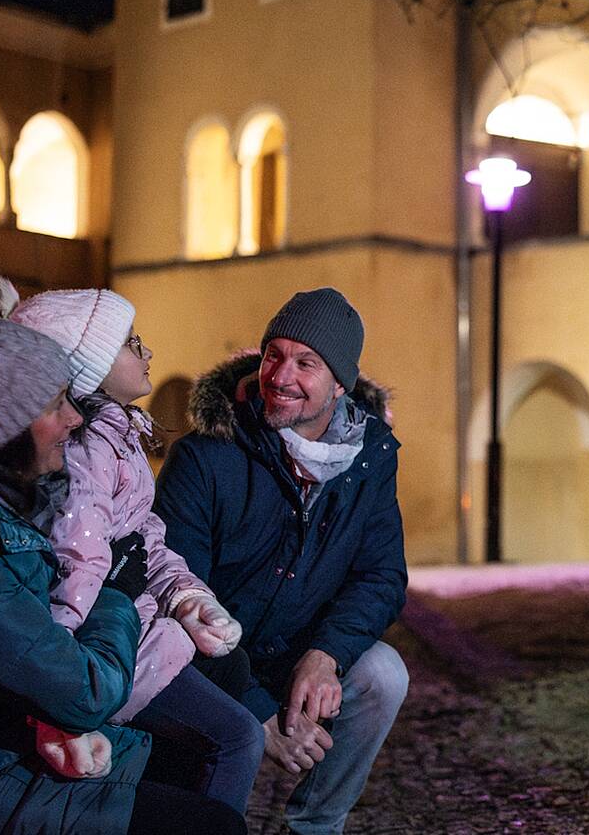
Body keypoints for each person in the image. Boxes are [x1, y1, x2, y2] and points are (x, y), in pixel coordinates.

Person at [0, 290, 244, 835]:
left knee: (193, 758)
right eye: (54, 404)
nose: (72, 418)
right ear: (0, 428)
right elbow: (82, 692)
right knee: (209, 821)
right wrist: (117, 594)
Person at [0, 274, 265, 812]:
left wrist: (188, 598)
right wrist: (59, 701)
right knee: (237, 739)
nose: (146, 351)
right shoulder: (91, 448)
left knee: (228, 677)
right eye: (129, 342)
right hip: (106, 649)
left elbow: (147, 537)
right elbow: (77, 565)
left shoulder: (118, 436)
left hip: (134, 629)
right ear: (89, 366)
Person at [156, 287, 409, 835]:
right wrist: (256, 710)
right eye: (274, 353)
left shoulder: (368, 459)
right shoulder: (207, 456)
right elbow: (175, 595)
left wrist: (326, 655)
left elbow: (381, 575)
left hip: (298, 650)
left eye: (306, 362)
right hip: (209, 659)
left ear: (339, 383)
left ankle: (315, 826)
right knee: (227, 753)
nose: (280, 375)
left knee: (384, 674)